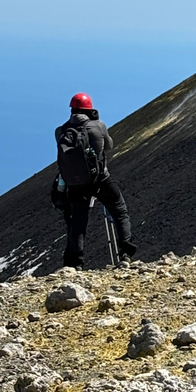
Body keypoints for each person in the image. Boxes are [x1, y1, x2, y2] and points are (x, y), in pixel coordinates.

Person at [56, 93, 137, 268]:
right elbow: (109, 146)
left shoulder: (61, 131)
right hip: (100, 179)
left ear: (72, 109)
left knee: (78, 223)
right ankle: (125, 254)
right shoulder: (98, 126)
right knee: (119, 210)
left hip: (76, 185)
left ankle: (75, 265)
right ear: (89, 109)